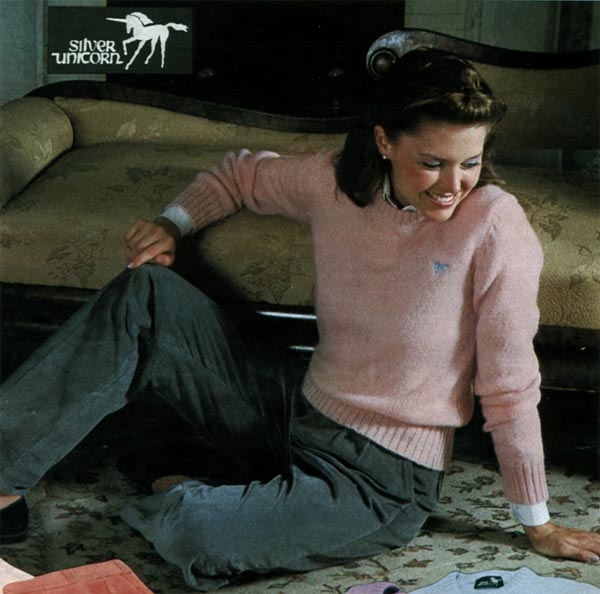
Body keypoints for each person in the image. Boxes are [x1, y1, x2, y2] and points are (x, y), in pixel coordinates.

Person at [1, 48, 599, 591]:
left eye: (470, 162)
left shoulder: (494, 224)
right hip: (297, 415)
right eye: (432, 163)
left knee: (198, 536)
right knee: (146, 292)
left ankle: (185, 486)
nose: (453, 185)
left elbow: (510, 385)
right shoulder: (337, 182)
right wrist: (170, 224)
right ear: (384, 142)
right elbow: (240, 174)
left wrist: (538, 522)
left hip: (382, 483)